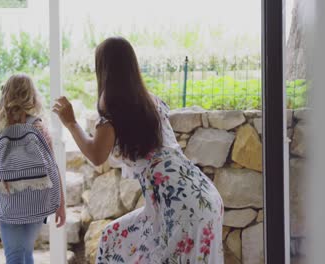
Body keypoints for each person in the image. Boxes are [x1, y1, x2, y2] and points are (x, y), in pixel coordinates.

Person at [53, 37, 224, 264]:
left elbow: (96, 154)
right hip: (202, 196)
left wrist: (71, 123)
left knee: (113, 241)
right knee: (113, 238)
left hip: (180, 207)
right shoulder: (148, 101)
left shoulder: (113, 106)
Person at [0, 74, 66, 264]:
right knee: (26, 252)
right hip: (37, 199)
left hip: (8, 199)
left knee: (14, 255)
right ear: (32, 95)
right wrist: (60, 203)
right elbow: (52, 165)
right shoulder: (38, 126)